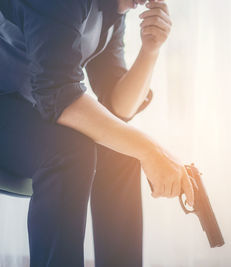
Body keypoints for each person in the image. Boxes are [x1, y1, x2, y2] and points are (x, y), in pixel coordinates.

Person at [0, 0, 194, 266]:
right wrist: (151, 151)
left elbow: (117, 107)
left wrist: (151, 51)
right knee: (70, 153)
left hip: (30, 108)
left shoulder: (112, 8)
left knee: (120, 149)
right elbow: (60, 95)